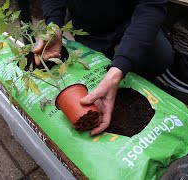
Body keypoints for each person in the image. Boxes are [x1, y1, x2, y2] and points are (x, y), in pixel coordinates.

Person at [33, 0, 175, 135]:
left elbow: (151, 7)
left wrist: (120, 67)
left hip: (130, 18)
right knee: (98, 69)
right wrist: (54, 25)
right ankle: (111, 84)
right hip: (88, 23)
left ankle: (135, 84)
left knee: (161, 56)